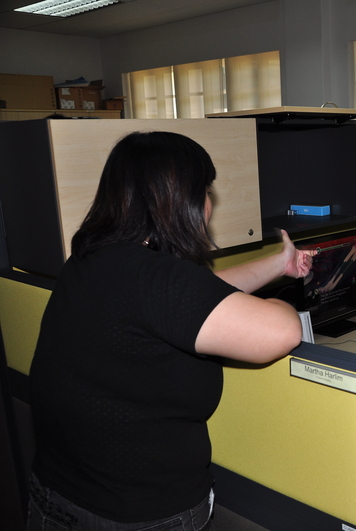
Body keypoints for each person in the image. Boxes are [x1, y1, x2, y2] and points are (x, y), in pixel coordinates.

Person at [27, 131, 314, 531]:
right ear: (181, 200)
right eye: (205, 191)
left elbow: (197, 300)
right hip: (140, 514)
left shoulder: (93, 262)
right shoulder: (156, 277)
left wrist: (279, 264)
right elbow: (280, 331)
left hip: (57, 498)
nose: (209, 204)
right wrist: (284, 302)